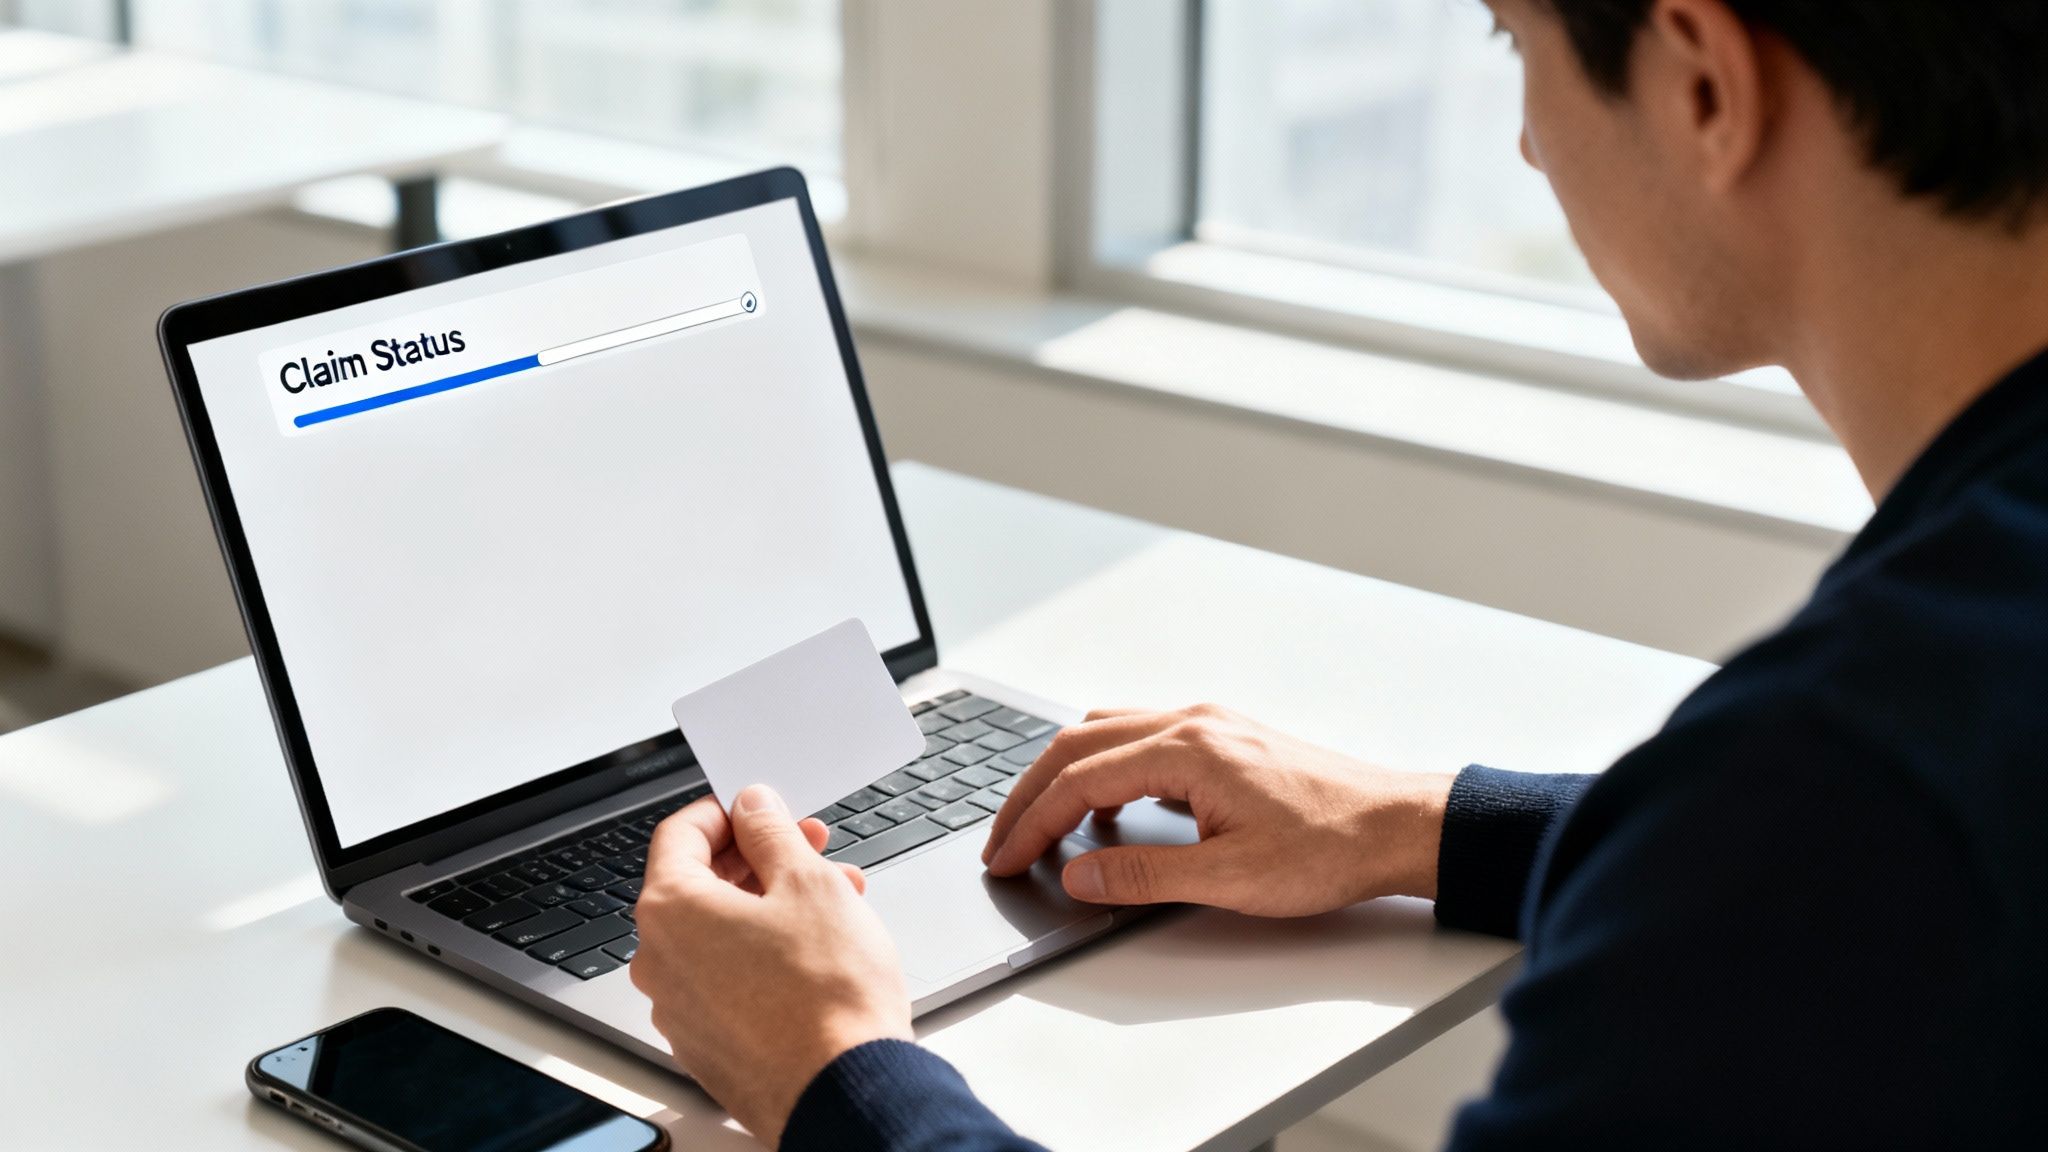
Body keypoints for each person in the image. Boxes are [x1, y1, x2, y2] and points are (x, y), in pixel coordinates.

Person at [628, 0, 2048, 1147]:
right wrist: (1421, 823)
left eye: (1516, 42)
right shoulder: (1902, 747)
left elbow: (1811, 865)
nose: (1531, 146)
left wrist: (836, 1071)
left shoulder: (1842, 784)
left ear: (1702, 84)